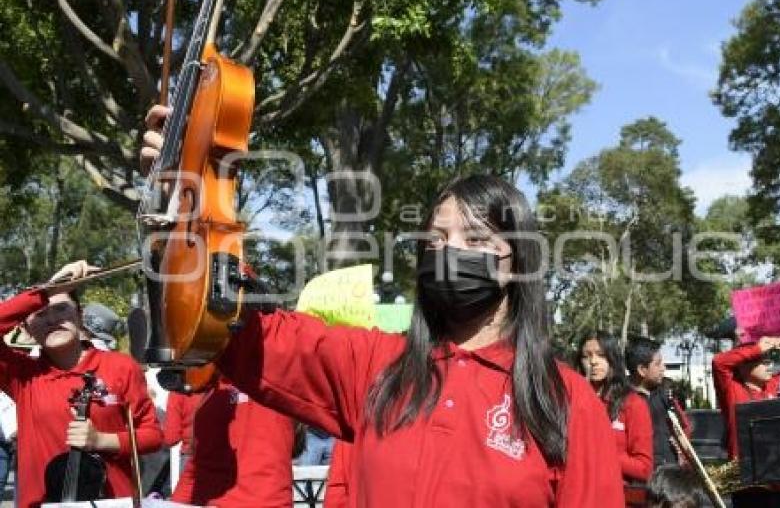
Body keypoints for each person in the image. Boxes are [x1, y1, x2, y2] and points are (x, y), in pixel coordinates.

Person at [141, 118, 625, 505]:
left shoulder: (567, 402)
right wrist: (188, 204)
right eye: (437, 238)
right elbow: (246, 332)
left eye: (475, 239)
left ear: (517, 262)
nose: (449, 250)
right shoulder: (375, 366)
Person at [0, 261, 163, 507]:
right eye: (40, 313)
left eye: (62, 309)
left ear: (80, 314)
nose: (52, 319)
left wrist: (101, 441)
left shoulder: (120, 366)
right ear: (27, 328)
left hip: (111, 502)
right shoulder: (22, 375)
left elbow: (153, 437)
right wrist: (49, 291)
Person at [712, 336, 780, 507]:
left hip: (779, 481)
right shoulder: (732, 389)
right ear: (744, 366)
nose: (770, 366)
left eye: (770, 360)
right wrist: (757, 348)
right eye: (763, 361)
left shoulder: (778, 385)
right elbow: (719, 362)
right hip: (748, 485)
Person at [169, 374, 296, 508]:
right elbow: (196, 466)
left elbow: (195, 466)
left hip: (229, 500)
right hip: (267, 501)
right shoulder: (279, 388)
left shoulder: (210, 400)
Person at [576, 332, 654, 486]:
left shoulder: (632, 404)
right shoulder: (572, 401)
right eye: (587, 356)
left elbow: (644, 468)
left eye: (601, 355)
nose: (593, 362)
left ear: (613, 359)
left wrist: (603, 453)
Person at [626, 336, 692, 469]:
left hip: (670, 474)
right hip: (642, 477)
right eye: (658, 364)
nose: (663, 368)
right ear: (641, 370)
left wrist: (681, 443)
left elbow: (684, 426)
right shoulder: (622, 400)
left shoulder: (666, 395)